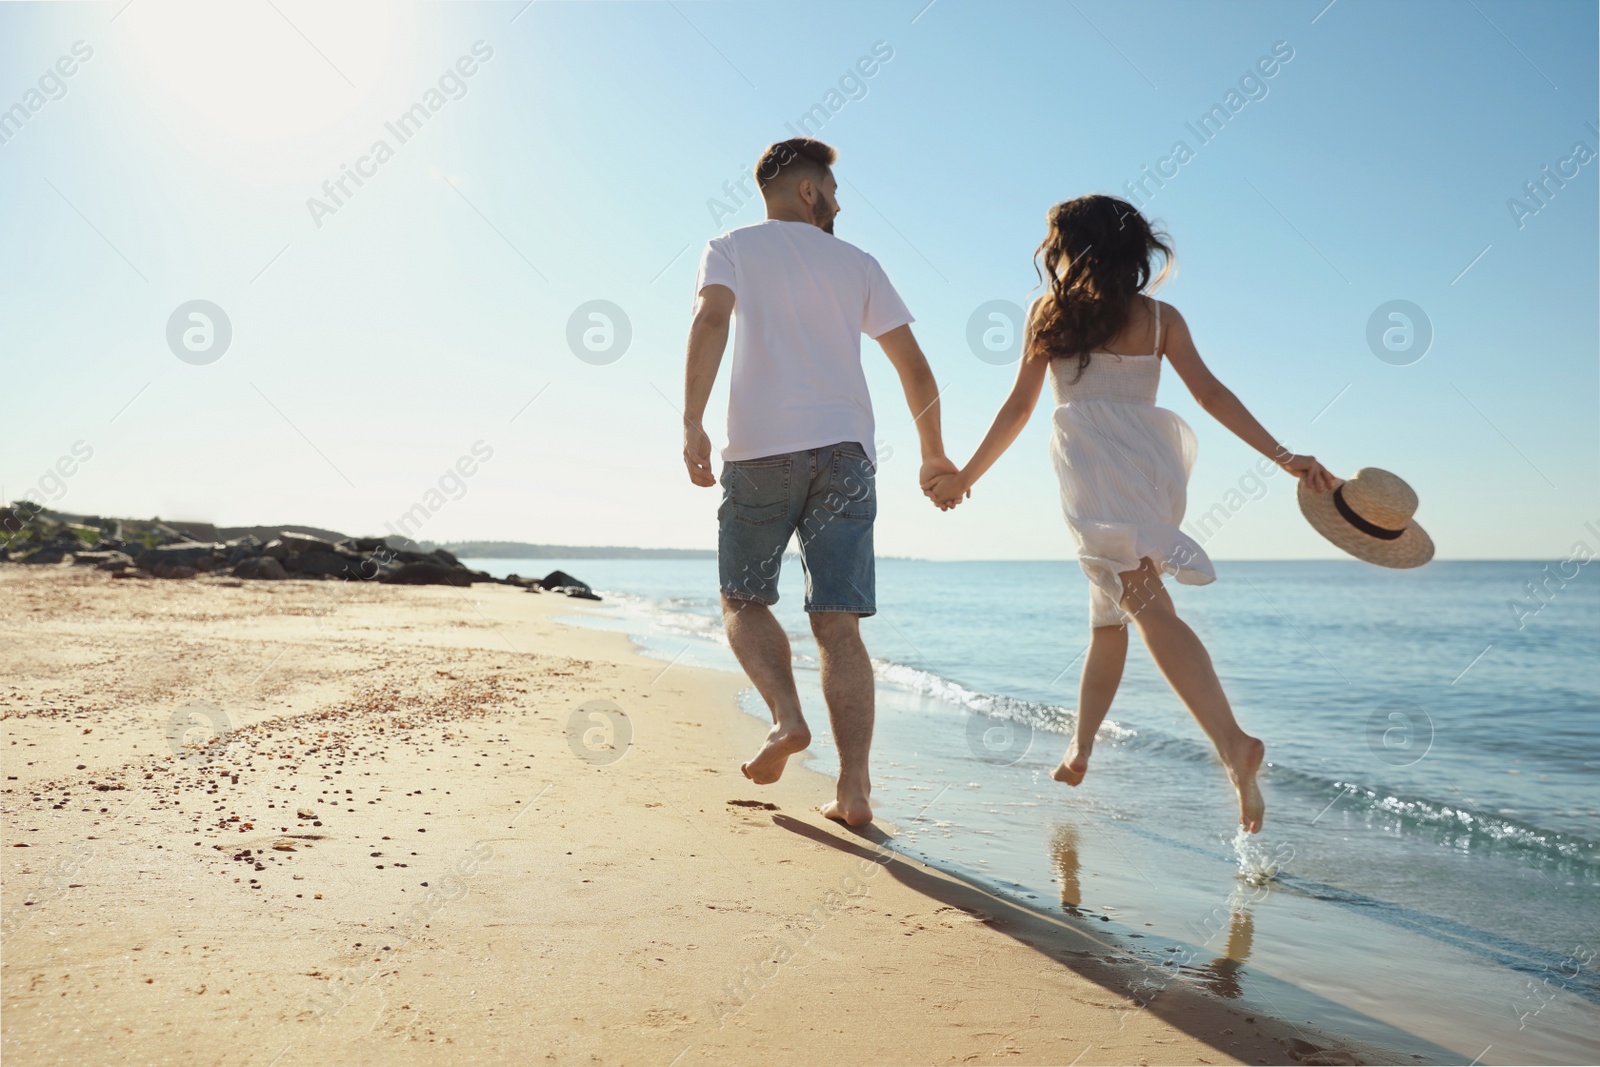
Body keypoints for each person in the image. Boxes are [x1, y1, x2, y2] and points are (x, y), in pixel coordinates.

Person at [924, 195, 1335, 833]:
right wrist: (1282, 456)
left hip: (1093, 472)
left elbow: (1019, 409)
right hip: (1149, 469)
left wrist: (965, 479)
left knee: (1144, 604)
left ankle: (1233, 745)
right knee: (1110, 617)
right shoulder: (1159, 318)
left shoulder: (1049, 314)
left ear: (1070, 249)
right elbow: (1212, 394)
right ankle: (1082, 747)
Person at [681, 137, 957, 828]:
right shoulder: (859, 263)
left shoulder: (731, 246)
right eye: (832, 191)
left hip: (761, 451)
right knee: (838, 624)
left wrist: (692, 421)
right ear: (808, 190)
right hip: (846, 453)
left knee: (742, 599)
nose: (838, 204)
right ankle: (855, 790)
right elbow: (914, 367)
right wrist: (933, 454)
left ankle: (786, 719)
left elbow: (710, 319)